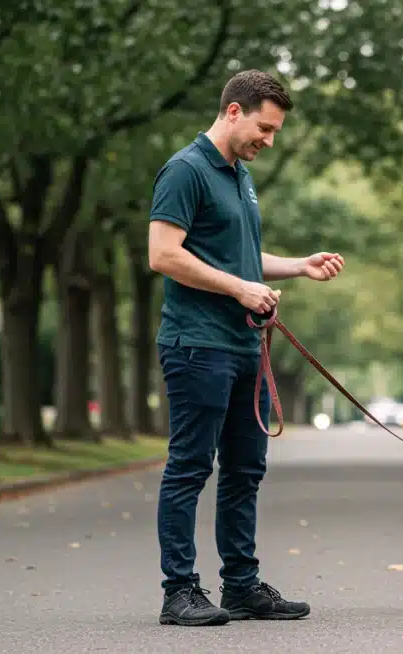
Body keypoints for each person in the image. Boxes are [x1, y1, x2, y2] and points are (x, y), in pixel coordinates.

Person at [146, 69, 345, 627]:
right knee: (189, 468)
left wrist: (297, 267)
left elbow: (241, 258)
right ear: (233, 111)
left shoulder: (239, 175)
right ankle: (179, 591)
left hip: (242, 348)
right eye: (264, 128)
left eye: (275, 131)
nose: (269, 140)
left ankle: (240, 586)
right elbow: (163, 255)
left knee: (244, 471)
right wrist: (239, 289)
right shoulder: (185, 170)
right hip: (196, 346)